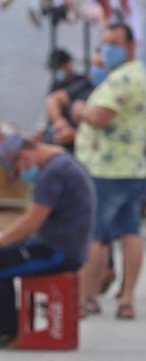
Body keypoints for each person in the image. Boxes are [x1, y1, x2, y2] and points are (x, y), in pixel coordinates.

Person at [0, 134, 95, 348]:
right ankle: (9, 327)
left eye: (17, 169)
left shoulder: (54, 172)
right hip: (62, 245)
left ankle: (8, 331)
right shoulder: (62, 161)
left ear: (24, 156)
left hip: (59, 252)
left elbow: (32, 220)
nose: (21, 174)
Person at [73, 22, 146, 320]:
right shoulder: (140, 75)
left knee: (97, 235)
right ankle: (126, 299)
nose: (107, 50)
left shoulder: (121, 79)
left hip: (107, 169)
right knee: (130, 231)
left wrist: (79, 111)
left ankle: (85, 298)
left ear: (131, 45)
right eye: (105, 43)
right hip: (134, 168)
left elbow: (100, 117)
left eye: (113, 43)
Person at [44, 48, 90, 149]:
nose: (56, 72)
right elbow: (51, 102)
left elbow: (53, 99)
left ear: (67, 65)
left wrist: (62, 125)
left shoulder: (82, 83)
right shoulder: (56, 85)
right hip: (56, 138)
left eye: (58, 68)